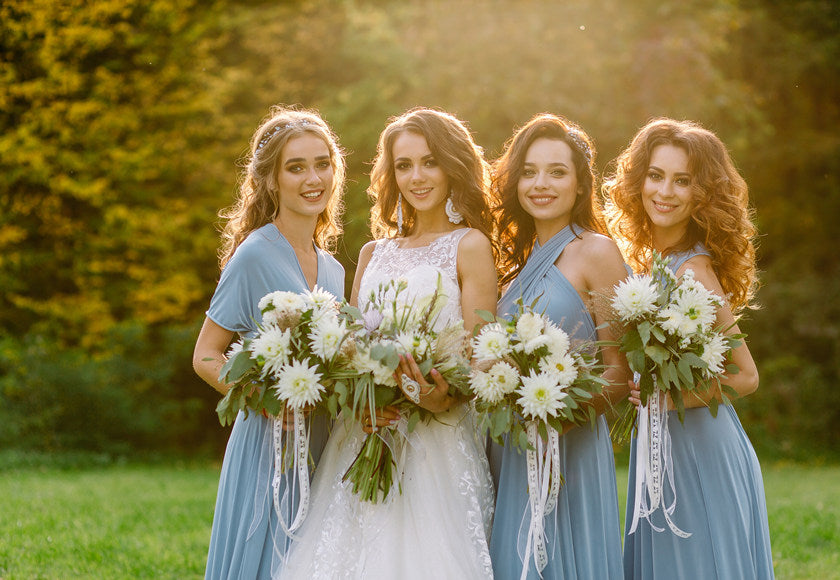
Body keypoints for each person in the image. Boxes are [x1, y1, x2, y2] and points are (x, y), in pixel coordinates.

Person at [280, 107, 498, 579]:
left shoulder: (470, 245)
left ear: (452, 167)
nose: (416, 177)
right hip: (363, 433)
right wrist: (358, 400)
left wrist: (445, 394)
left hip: (436, 438)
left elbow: (482, 355)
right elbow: (350, 345)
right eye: (403, 165)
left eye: (429, 162)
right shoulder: (372, 253)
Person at [604, 118, 775, 579]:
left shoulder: (692, 270)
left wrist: (668, 397)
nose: (665, 191)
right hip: (659, 443)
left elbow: (746, 375)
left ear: (703, 194)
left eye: (683, 181)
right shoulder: (647, 263)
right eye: (656, 176)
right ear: (638, 181)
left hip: (701, 450)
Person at [192, 106, 347, 580]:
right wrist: (264, 403)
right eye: (296, 167)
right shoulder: (255, 253)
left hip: (323, 440)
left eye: (322, 164)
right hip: (268, 443)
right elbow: (205, 355)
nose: (312, 178)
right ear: (272, 180)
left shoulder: (335, 270)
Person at [487, 113, 629, 579]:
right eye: (528, 171)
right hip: (511, 447)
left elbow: (621, 370)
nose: (540, 184)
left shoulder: (597, 252)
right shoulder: (509, 265)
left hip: (572, 444)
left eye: (557, 171)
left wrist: (559, 416)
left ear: (581, 185)